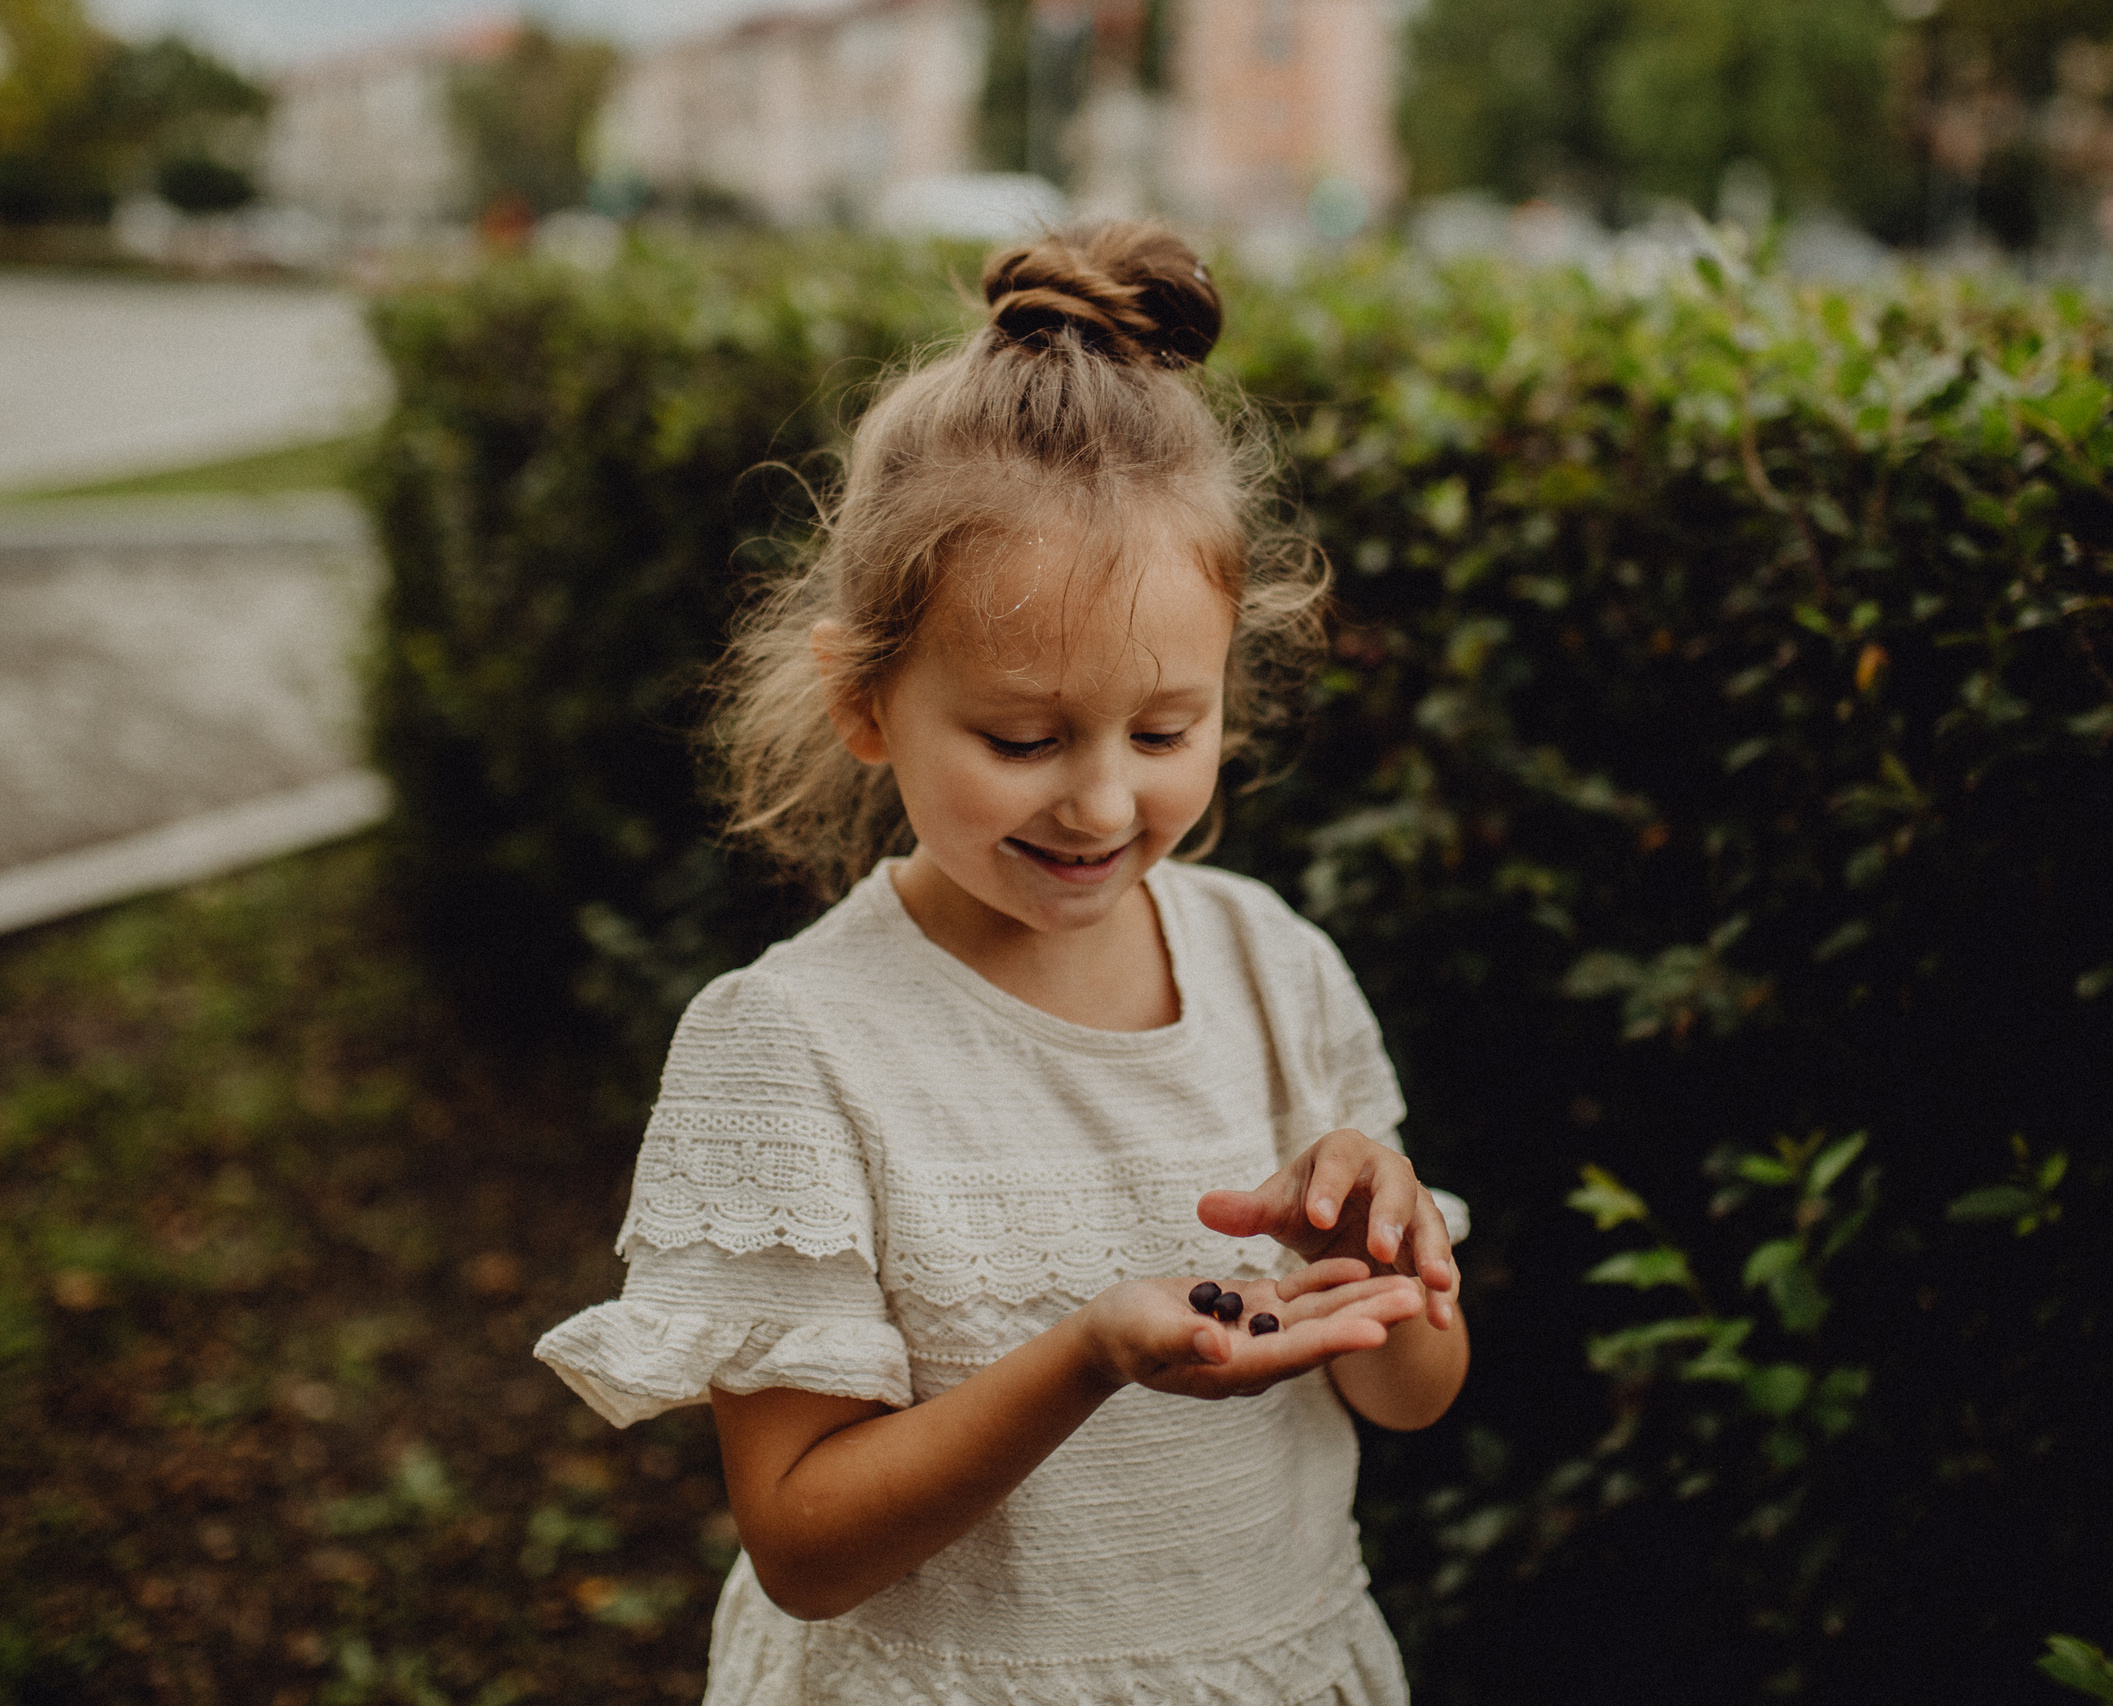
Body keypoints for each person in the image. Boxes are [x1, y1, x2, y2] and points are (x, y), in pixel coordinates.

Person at [535, 220, 1469, 1706]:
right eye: (1024, 739)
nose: (1103, 802)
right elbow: (805, 1543)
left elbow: (1408, 1393)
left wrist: (1390, 1260)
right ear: (866, 700)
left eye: (1164, 731)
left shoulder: (1275, 968)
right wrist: (1084, 1355)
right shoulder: (796, 1045)